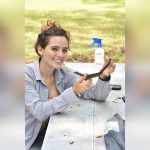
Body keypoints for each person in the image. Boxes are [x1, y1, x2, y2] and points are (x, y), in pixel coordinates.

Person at [25, 20, 116, 150]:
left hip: (49, 133)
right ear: (40, 49)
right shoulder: (25, 75)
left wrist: (103, 77)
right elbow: (39, 111)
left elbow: (97, 95)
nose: (60, 55)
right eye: (54, 49)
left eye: (64, 50)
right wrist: (73, 92)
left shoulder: (63, 73)